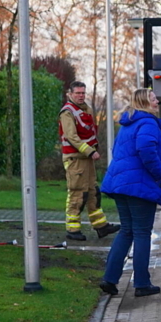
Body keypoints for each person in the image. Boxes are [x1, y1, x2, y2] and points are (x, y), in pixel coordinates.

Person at [98, 88, 161, 297]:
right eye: (153, 99)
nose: (157, 101)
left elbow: (118, 151)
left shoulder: (128, 123)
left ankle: (110, 279)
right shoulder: (147, 123)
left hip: (120, 183)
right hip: (138, 186)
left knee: (126, 231)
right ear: (145, 102)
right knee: (142, 233)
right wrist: (160, 172)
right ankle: (142, 283)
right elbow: (146, 150)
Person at [59, 81, 119, 241]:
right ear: (70, 94)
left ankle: (101, 226)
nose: (81, 96)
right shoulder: (67, 112)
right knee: (77, 193)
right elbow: (71, 137)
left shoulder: (86, 110)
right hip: (75, 159)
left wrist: (92, 150)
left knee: (93, 192)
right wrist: (90, 151)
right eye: (78, 93)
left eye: (83, 93)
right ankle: (72, 230)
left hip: (86, 158)